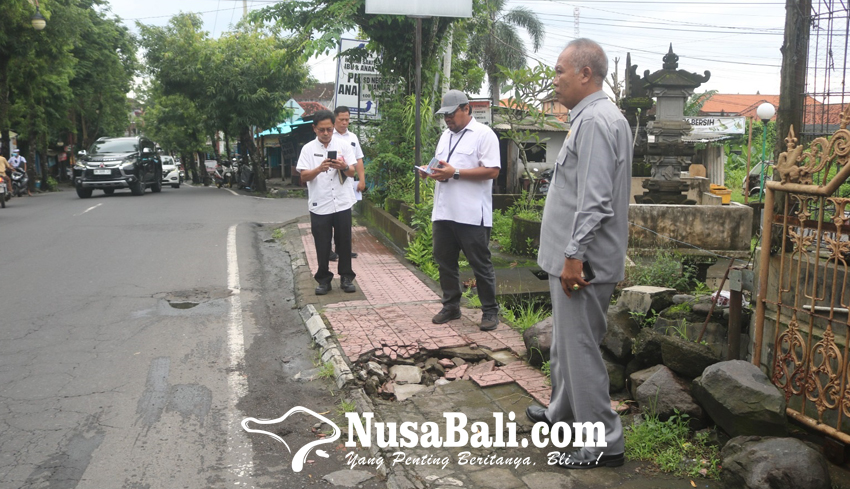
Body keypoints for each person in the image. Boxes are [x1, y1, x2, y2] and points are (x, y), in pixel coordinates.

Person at [525, 39, 632, 469]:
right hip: (573, 259)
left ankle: (604, 442)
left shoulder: (596, 122)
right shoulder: (590, 118)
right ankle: (562, 414)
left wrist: (573, 255)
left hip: (581, 264)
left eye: (559, 71)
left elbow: (595, 200)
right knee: (565, 349)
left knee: (580, 350)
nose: (554, 81)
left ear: (585, 74)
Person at [424, 90, 501, 331]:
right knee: (444, 261)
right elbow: (442, 167)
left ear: (466, 109)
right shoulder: (445, 136)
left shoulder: (484, 135)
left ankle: (489, 311)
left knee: (480, 263)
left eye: (451, 113)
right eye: (444, 114)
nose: (447, 118)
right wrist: (431, 171)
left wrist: (455, 172)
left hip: (471, 214)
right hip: (444, 211)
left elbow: (492, 170)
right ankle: (451, 306)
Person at [296, 110, 358, 295]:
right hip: (320, 204)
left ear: (333, 128)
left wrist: (344, 166)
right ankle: (323, 279)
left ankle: (346, 278)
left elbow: (353, 171)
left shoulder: (344, 145)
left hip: (342, 202)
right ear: (314, 129)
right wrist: (318, 169)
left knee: (344, 242)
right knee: (322, 244)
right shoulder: (308, 149)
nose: (325, 133)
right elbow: (303, 176)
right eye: (321, 130)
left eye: (329, 129)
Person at [328, 105, 366, 261]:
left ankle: (344, 249)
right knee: (329, 216)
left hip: (347, 182)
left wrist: (362, 180)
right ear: (335, 119)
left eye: (347, 120)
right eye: (341, 119)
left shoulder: (353, 137)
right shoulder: (329, 135)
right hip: (330, 182)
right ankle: (329, 250)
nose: (344, 123)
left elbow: (358, 160)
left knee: (345, 218)